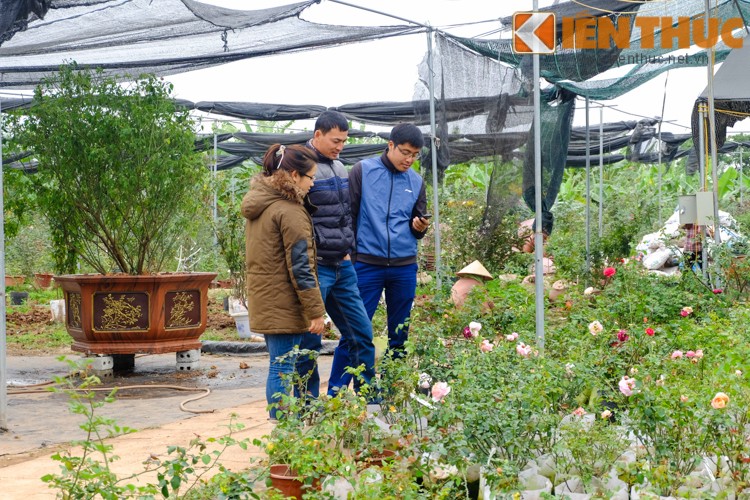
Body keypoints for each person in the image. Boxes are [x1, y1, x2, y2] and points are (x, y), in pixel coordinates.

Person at [242, 143, 326, 419]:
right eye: (310, 177)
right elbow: (301, 266)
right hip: (283, 301)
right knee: (282, 368)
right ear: (293, 175)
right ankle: (283, 433)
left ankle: (283, 430)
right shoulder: (288, 210)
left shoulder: (262, 203)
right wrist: (315, 311)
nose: (313, 183)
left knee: (279, 365)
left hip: (267, 297)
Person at [304, 111, 376, 396]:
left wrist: (349, 249)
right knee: (309, 337)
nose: (340, 146)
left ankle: (367, 392)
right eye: (336, 140)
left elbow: (347, 214)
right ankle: (306, 399)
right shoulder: (301, 165)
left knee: (361, 332)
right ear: (318, 134)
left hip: (342, 263)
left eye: (344, 141)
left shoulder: (340, 167)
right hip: (317, 265)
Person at [347, 122, 430, 362]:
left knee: (399, 332)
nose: (409, 160)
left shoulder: (416, 182)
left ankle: (394, 386)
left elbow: (418, 223)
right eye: (405, 152)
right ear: (390, 145)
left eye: (415, 155)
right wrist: (352, 260)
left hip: (404, 266)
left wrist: (420, 228)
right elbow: (349, 217)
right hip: (367, 264)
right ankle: (340, 391)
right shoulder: (363, 171)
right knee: (356, 330)